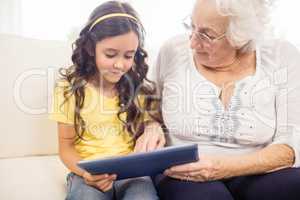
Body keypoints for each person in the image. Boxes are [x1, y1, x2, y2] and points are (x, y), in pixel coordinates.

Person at [137, 0, 300, 199]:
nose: (193, 43)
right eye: (192, 26)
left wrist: (223, 167)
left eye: (206, 34)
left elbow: (290, 146)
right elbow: (147, 101)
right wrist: (151, 124)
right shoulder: (173, 51)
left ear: (239, 37)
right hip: (183, 171)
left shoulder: (282, 56)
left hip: (256, 170)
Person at [49, 1, 164, 200]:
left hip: (132, 172)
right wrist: (86, 173)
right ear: (91, 48)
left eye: (129, 56)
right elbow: (66, 148)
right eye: (110, 54)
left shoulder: (138, 89)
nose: (119, 65)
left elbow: (153, 124)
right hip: (87, 172)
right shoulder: (69, 89)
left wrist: (153, 126)